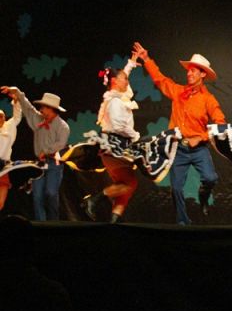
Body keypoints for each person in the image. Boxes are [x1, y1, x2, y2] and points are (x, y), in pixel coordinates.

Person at [132, 42, 226, 225]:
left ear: (203, 74)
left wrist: (201, 137)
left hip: (198, 148)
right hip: (178, 148)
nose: (189, 73)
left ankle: (204, 195)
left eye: (193, 71)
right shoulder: (179, 92)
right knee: (176, 189)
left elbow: (221, 124)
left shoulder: (208, 99)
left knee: (210, 178)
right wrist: (145, 59)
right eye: (188, 70)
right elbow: (160, 80)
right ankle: (182, 222)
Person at [81, 56, 141, 223]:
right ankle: (93, 200)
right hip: (114, 145)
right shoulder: (114, 102)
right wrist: (135, 135)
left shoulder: (119, 97)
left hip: (119, 146)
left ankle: (114, 221)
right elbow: (118, 126)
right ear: (114, 81)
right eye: (125, 79)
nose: (127, 82)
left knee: (128, 185)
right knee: (129, 183)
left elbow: (124, 85)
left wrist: (130, 65)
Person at [0, 87, 70, 221]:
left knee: (50, 193)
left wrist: (47, 151)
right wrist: (18, 93)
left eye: (44, 107)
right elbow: (28, 108)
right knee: (37, 195)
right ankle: (41, 225)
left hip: (54, 164)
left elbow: (60, 143)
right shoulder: (38, 120)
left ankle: (53, 223)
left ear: (52, 109)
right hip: (40, 163)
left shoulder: (63, 126)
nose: (41, 110)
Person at [0, 96, 22, 211]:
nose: (0, 119)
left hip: (3, 166)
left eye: (2, 116)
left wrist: (16, 101)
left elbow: (17, 116)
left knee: (0, 203)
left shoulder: (8, 127)